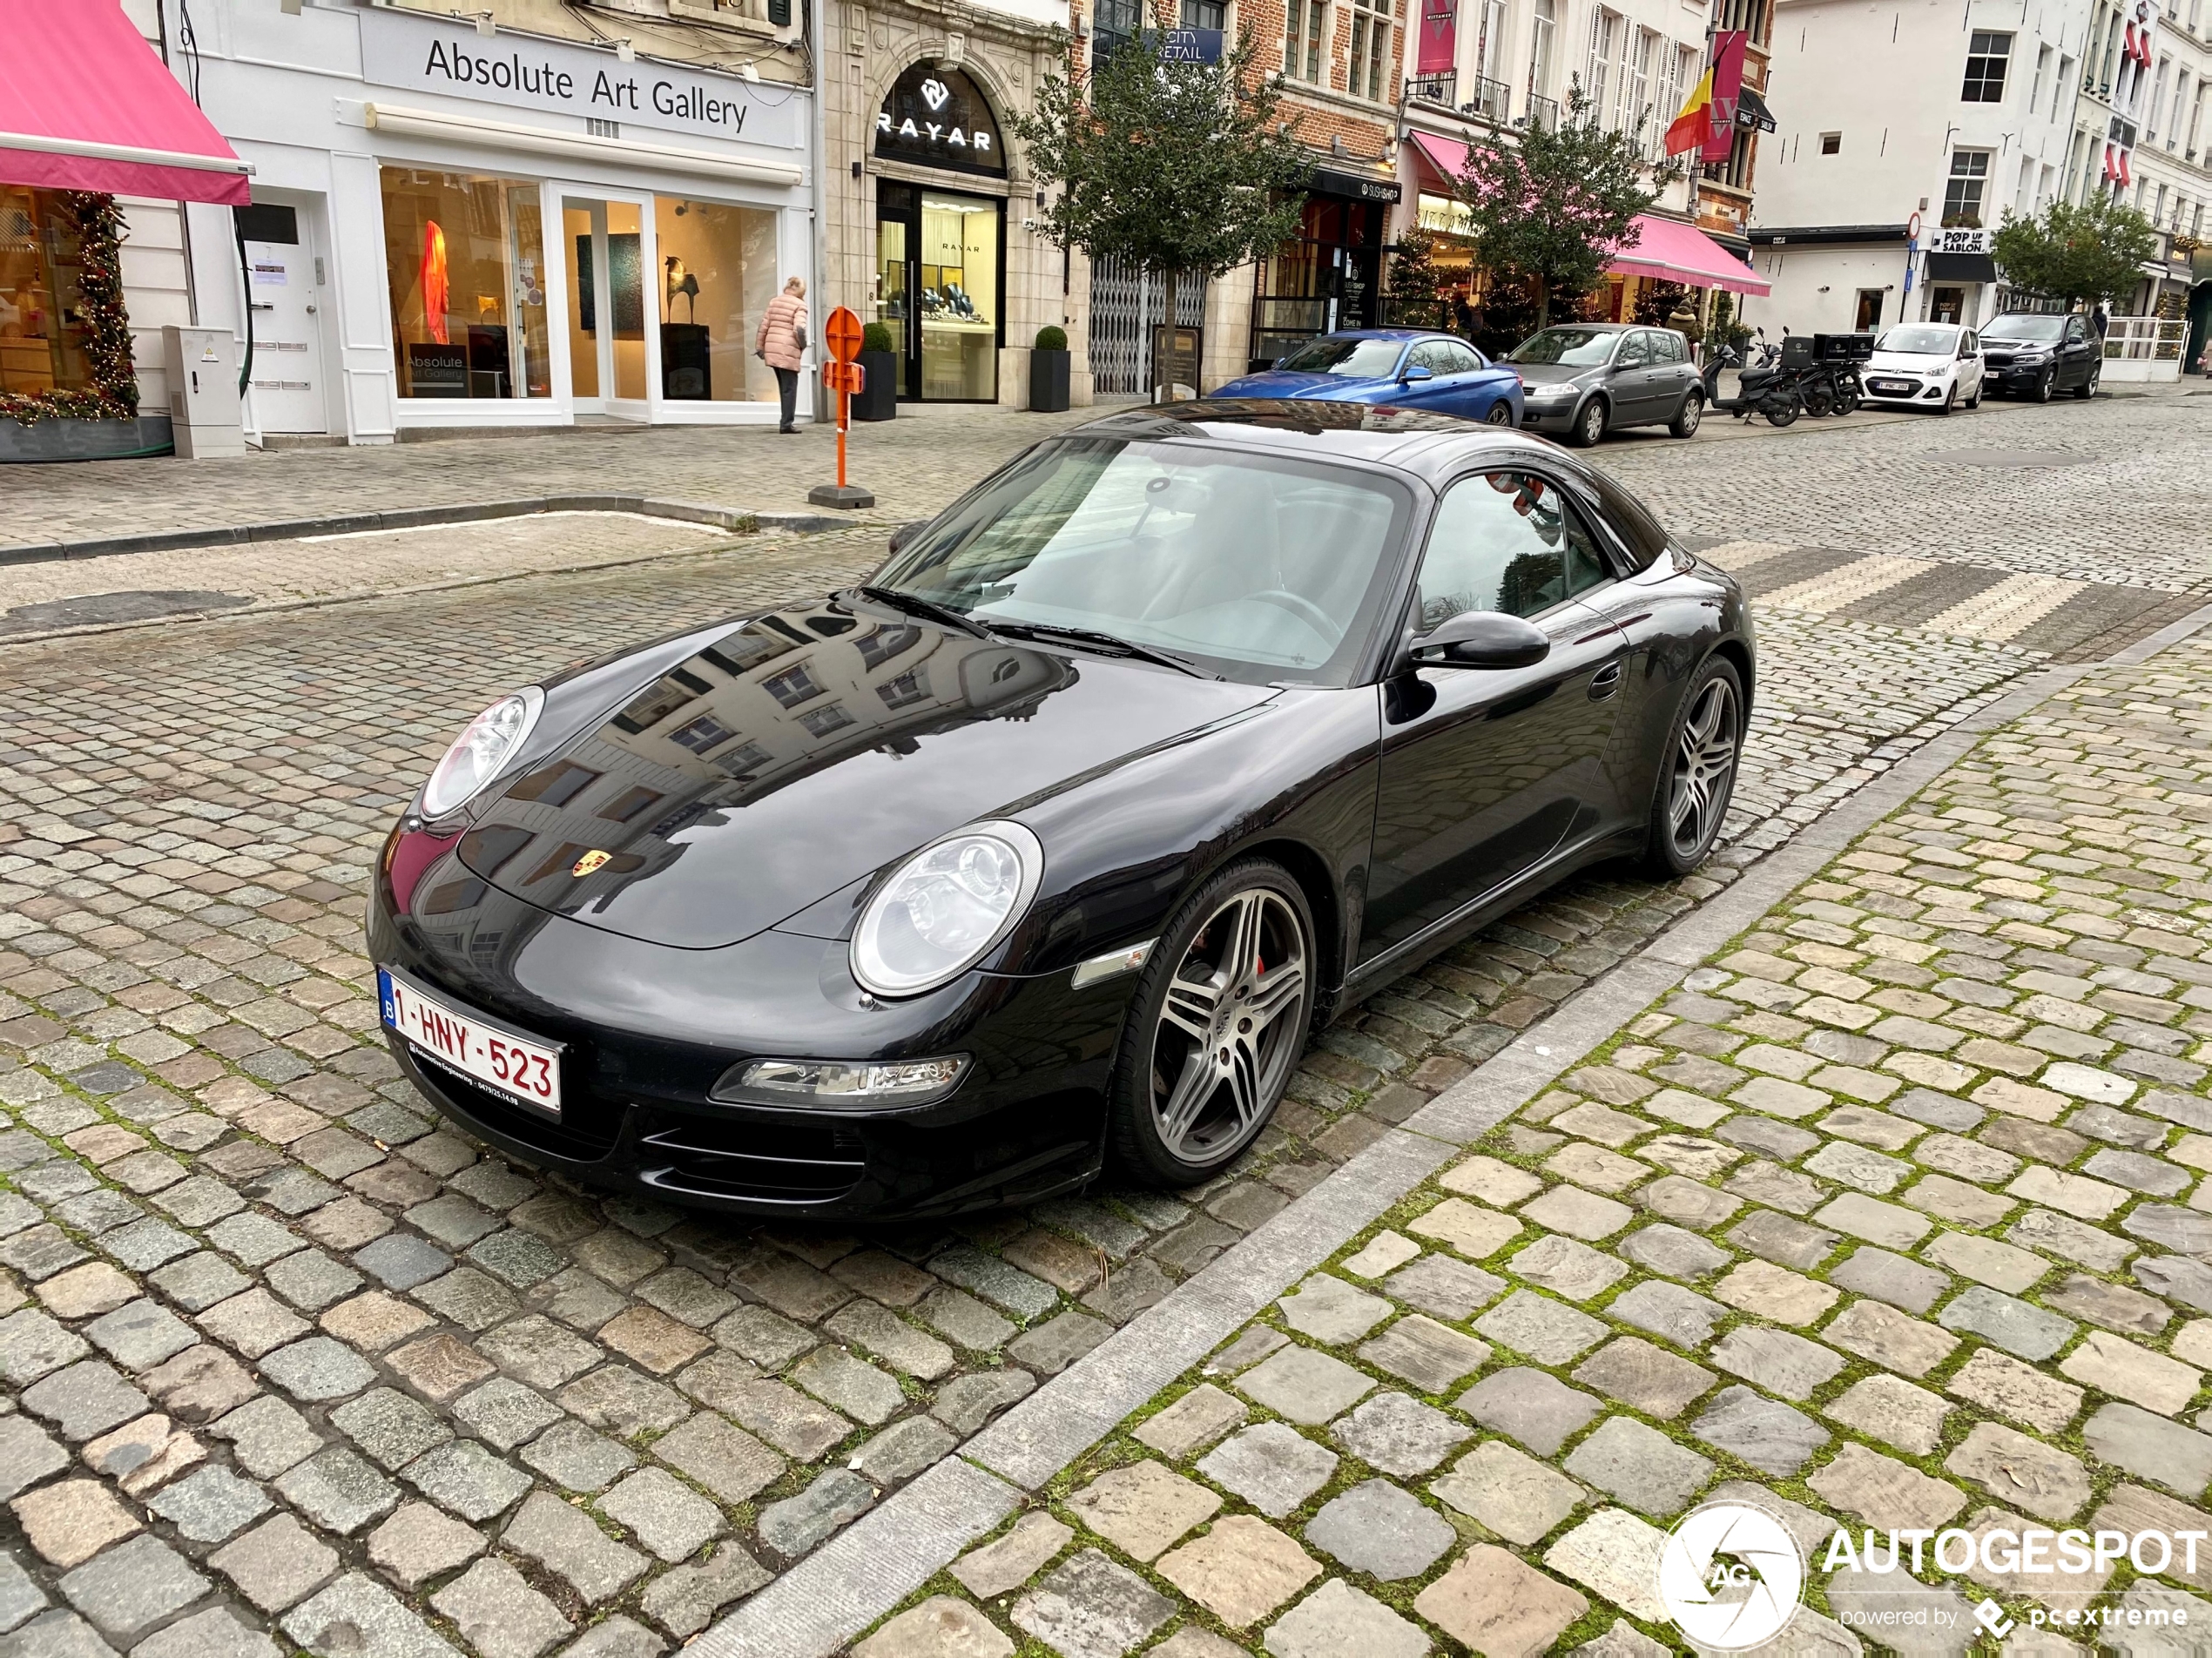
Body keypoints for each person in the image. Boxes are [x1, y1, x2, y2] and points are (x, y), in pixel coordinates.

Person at [756, 276, 808, 434]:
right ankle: (786, 424)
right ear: (800, 291)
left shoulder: (775, 301)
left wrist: (759, 346)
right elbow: (799, 329)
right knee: (790, 388)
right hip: (787, 349)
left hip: (772, 348)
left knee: (783, 386)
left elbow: (763, 326)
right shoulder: (800, 305)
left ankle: (785, 421)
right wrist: (803, 345)